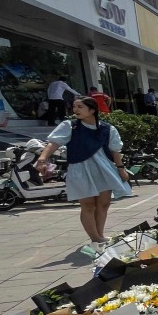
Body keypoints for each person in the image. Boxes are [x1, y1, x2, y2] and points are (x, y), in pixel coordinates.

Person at [34, 97, 131, 251]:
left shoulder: (107, 129)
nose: (76, 110)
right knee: (87, 204)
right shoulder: (69, 126)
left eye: (80, 107)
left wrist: (121, 168)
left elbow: (115, 150)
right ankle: (95, 238)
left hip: (103, 168)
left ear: (92, 110)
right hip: (79, 168)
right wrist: (42, 159)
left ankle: (100, 235)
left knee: (103, 204)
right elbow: (54, 143)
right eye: (74, 107)